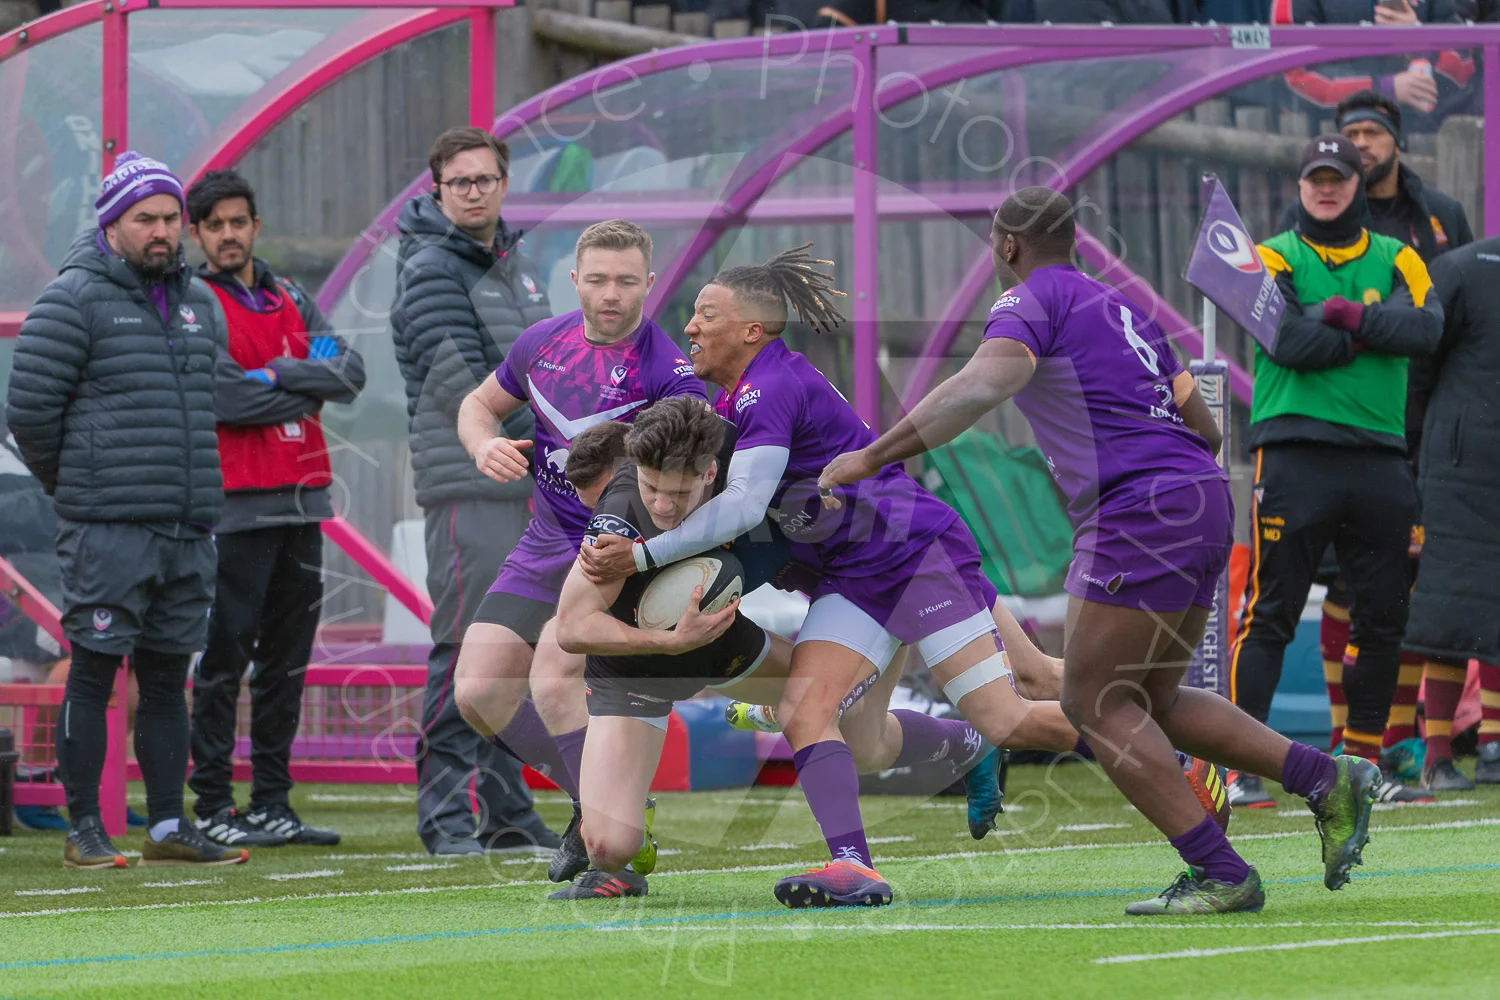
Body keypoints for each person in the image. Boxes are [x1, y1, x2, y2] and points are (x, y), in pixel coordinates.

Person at [818, 186, 1380, 915]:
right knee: (1151, 699)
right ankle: (1323, 779)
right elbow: (1204, 425)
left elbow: (983, 384)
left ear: (1007, 245)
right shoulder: (1128, 310)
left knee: (1091, 700)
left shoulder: (1028, 301)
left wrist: (868, 458)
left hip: (1136, 511)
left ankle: (1221, 872)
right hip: (1201, 497)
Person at [577, 245, 1096, 909]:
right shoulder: (741, 394)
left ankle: (1163, 754)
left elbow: (741, 505)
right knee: (817, 716)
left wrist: (644, 558)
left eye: (707, 315)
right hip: (853, 573)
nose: (691, 327)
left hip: (912, 558)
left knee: (1011, 714)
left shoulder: (770, 387)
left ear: (752, 330)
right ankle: (855, 866)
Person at [556, 401, 1029, 898]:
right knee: (609, 848)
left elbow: (885, 535)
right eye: (652, 488)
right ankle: (634, 818)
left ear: (712, 473)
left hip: (722, 646)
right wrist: (668, 641)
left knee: (857, 738)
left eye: (678, 493)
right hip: (631, 672)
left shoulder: (764, 488)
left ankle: (970, 745)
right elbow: (571, 627)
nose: (663, 507)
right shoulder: (621, 515)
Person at [5, 151, 247, 869]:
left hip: (189, 525)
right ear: (112, 224)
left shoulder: (203, 304)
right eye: (146, 218)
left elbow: (211, 405)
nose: (163, 231)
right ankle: (85, 828)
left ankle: (169, 828)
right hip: (106, 526)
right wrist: (78, 487)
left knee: (169, 677)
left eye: (172, 218)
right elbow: (30, 415)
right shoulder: (71, 299)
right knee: (95, 669)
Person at [450, 219, 707, 881]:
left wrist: (640, 536)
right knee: (478, 693)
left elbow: (691, 477)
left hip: (615, 550)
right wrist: (483, 443)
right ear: (576, 280)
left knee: (555, 681)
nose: (611, 294)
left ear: (650, 284)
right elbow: (478, 404)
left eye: (626, 281)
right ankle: (606, 802)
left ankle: (610, 835)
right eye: (597, 279)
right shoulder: (543, 342)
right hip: (543, 540)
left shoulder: (670, 373)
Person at [1257, 91, 1473, 803]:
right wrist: (1372, 327)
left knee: (1383, 615)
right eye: (1314, 180)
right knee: (1274, 612)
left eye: (1337, 179)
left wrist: (1345, 318)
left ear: (1356, 184)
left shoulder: (1404, 253)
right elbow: (1284, 341)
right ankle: (1237, 765)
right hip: (1295, 452)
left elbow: (1428, 332)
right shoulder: (1269, 254)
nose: (1325, 190)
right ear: (1300, 188)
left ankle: (1361, 763)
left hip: (1382, 458)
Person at [390, 126, 560, 856]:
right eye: (458, 182)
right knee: (464, 647)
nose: (472, 192)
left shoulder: (517, 268)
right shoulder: (430, 270)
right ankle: (444, 818)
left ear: (503, 184)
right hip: (469, 485)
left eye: (484, 179)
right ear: (437, 192)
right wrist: (570, 432)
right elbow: (465, 383)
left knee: (512, 651)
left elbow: (554, 365)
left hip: (527, 482)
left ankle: (506, 812)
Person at [184, 169, 366, 848]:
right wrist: (305, 388)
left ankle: (271, 803)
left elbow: (347, 370)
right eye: (214, 225)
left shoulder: (289, 293)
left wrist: (280, 374)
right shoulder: (197, 301)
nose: (228, 234)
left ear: (255, 227)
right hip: (235, 507)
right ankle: (210, 804)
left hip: (302, 501)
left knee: (286, 662)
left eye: (238, 221)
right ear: (197, 235)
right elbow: (225, 399)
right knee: (224, 659)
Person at [1401, 238, 1500, 787]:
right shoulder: (1465, 267)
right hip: (1457, 470)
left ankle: (1494, 747)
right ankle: (1436, 754)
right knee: (1448, 613)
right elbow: (1419, 365)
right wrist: (1419, 449)